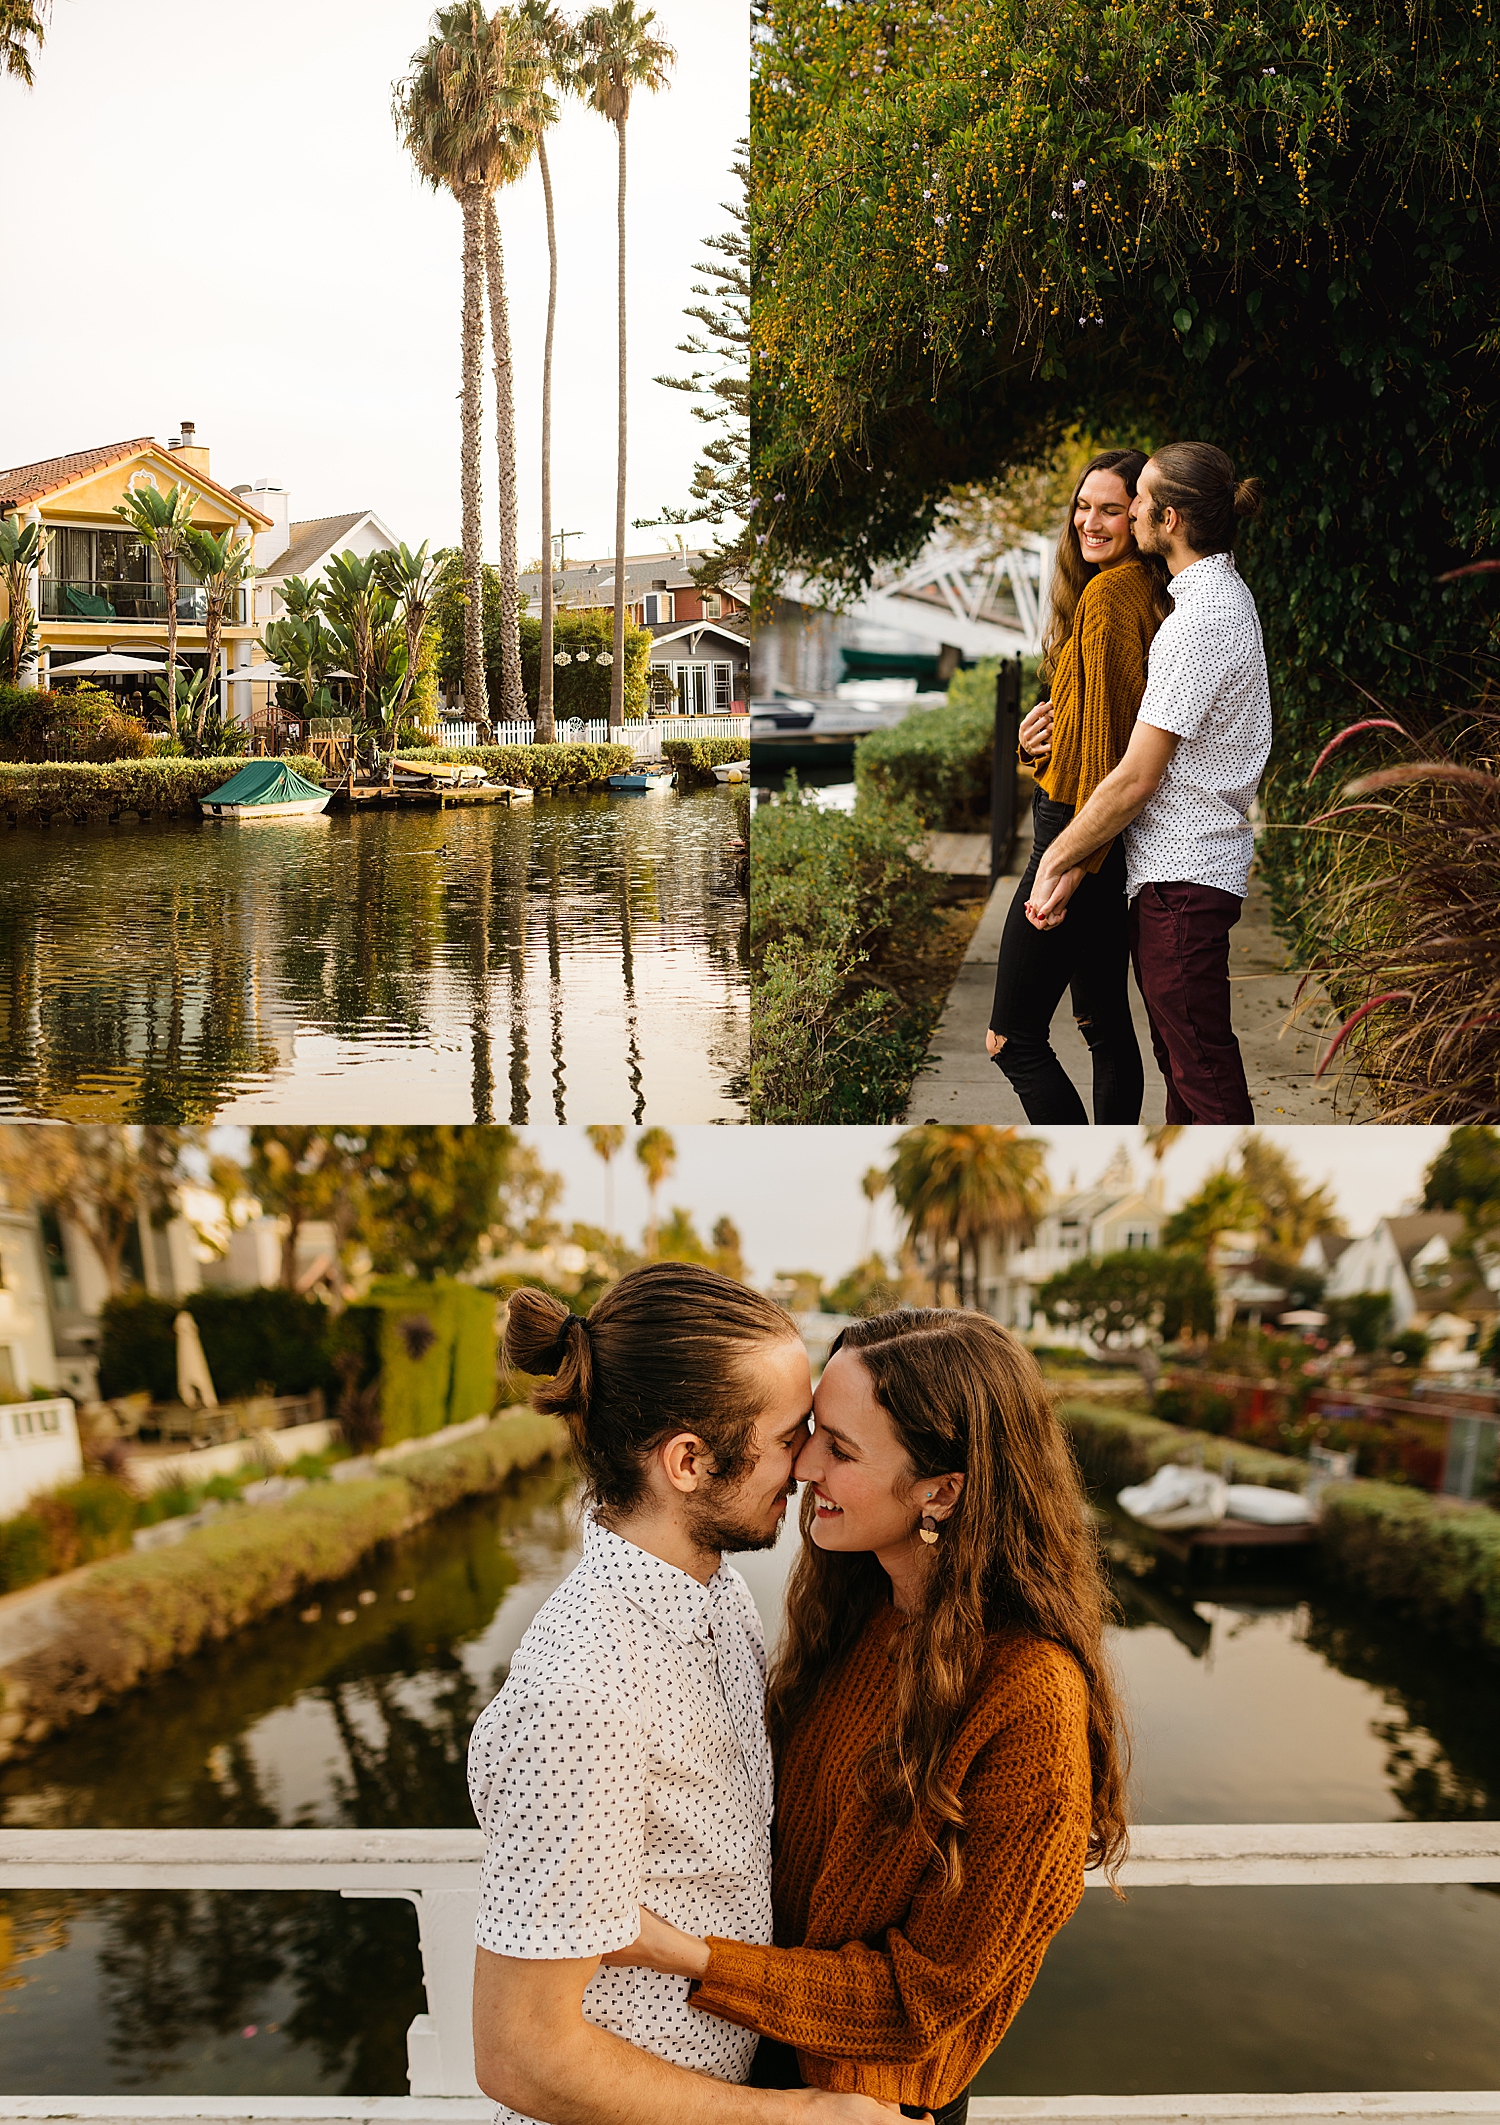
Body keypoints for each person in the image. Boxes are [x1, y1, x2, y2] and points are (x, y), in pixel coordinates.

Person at [603, 1309, 1129, 2125]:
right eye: (812, 1431)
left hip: (870, 2106)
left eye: (840, 1449)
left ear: (942, 1489)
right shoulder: (858, 1610)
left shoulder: (1029, 1700)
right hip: (753, 2056)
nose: (803, 1462)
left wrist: (675, 1949)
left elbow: (926, 1993)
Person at [468, 1263, 912, 2125]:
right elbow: (523, 2055)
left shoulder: (718, 1595)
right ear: (688, 1460)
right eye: (791, 1437)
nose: (810, 1463)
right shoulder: (584, 1690)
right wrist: (806, 2116)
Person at [1024, 441, 1271, 1123]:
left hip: (1183, 885)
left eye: (1140, 496)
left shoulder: (1199, 621)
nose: (1127, 506)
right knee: (1186, 1073)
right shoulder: (1212, 599)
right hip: (1180, 879)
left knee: (1204, 1077)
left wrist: (1058, 856)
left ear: (1170, 519)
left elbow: (1134, 777)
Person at [985, 449, 1171, 1122]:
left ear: (1141, 517)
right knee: (1103, 1025)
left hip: (1076, 831)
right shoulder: (1134, 590)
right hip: (1106, 838)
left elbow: (1102, 762)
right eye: (1083, 506)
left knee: (1012, 1039)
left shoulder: (1105, 599)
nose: (1090, 522)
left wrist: (1064, 864)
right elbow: (1104, 730)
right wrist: (1034, 741)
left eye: (1112, 510)